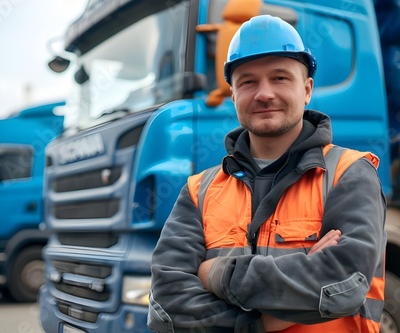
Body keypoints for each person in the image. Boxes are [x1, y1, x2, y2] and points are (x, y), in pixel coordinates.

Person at [148, 15, 386, 333]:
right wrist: (259, 325)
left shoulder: (349, 173)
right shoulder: (198, 190)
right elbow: (167, 305)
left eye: (280, 78)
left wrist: (216, 273)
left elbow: (342, 284)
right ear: (233, 95)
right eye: (248, 81)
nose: (264, 93)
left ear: (307, 89)